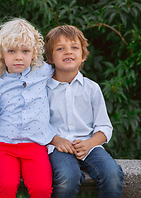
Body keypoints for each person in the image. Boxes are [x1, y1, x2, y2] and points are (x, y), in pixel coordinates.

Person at [44, 25, 124, 198]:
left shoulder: (91, 88)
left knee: (113, 174)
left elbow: (104, 127)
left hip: (90, 146)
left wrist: (89, 143)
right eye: (60, 48)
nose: (68, 52)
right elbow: (37, 125)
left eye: (74, 47)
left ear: (83, 56)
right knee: (68, 177)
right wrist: (55, 139)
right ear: (50, 57)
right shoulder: (43, 90)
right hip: (58, 148)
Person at [0, 18, 55, 198]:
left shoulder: (44, 71)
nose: (18, 56)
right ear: (2, 53)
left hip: (35, 144)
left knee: (42, 189)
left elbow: (65, 66)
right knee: (6, 186)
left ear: (33, 53)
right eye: (12, 51)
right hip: (4, 145)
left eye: (25, 51)